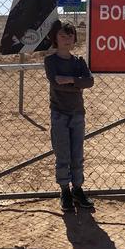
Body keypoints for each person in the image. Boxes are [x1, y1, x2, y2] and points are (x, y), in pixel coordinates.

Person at [44, 19, 95, 212]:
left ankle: (78, 189)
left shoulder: (79, 61)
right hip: (59, 114)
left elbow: (89, 82)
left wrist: (70, 80)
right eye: (62, 36)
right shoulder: (51, 61)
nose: (67, 39)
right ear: (55, 38)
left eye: (70, 35)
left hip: (77, 114)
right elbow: (56, 84)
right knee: (62, 154)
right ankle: (64, 190)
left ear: (74, 38)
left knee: (77, 155)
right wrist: (77, 83)